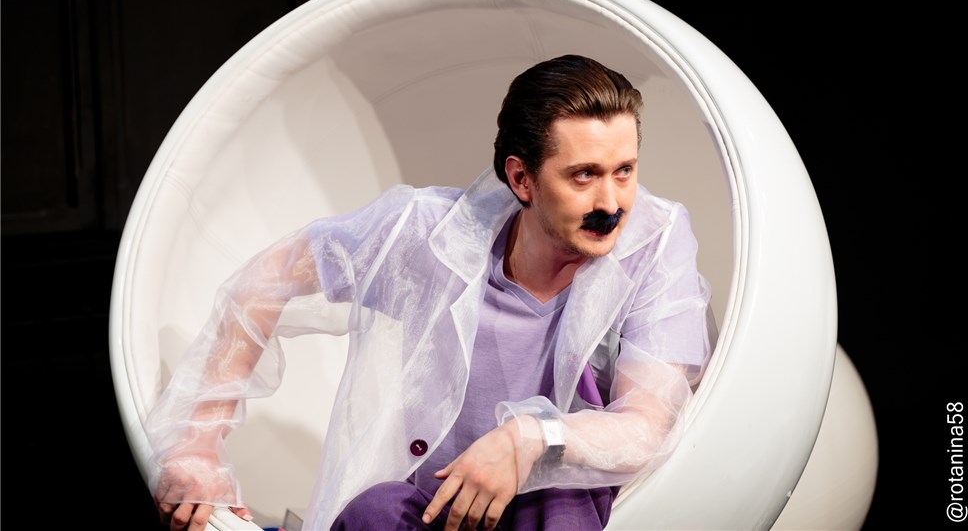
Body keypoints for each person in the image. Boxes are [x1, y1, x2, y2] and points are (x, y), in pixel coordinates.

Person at [147, 54, 713, 531]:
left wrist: (529, 438)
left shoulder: (653, 244)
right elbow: (264, 284)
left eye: (625, 171)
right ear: (521, 179)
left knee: (560, 499)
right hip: (432, 509)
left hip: (551, 513)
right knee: (374, 512)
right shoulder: (431, 233)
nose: (611, 203)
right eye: (583, 175)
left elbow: (647, 423)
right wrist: (197, 445)